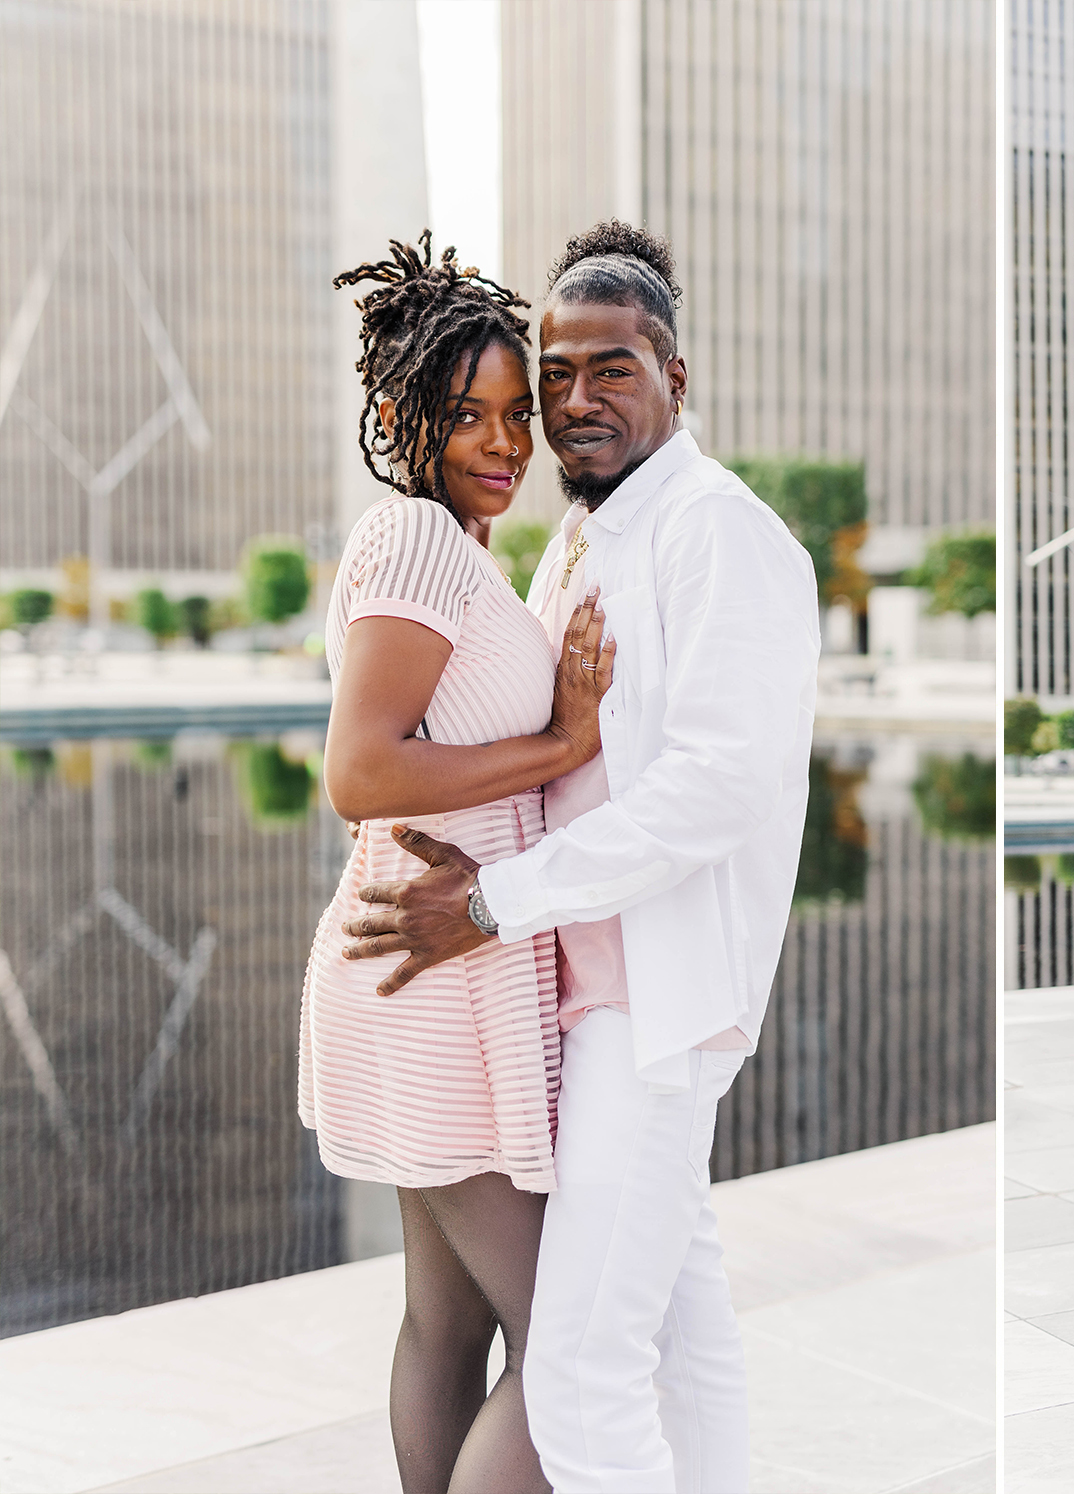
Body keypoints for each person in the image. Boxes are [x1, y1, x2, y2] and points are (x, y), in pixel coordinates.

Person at [339, 220, 821, 1494]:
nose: (571, 403)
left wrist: (496, 900)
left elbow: (713, 785)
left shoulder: (717, 531)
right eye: (555, 374)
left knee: (580, 1371)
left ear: (674, 372)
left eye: (610, 368)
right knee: (676, 1330)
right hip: (562, 995)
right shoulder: (576, 540)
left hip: (645, 1005)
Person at [303, 232, 614, 1494]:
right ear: (401, 417)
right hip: (432, 981)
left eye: (511, 415)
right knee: (572, 1342)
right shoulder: (421, 546)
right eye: (466, 415)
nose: (502, 443)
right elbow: (359, 773)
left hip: (428, 964)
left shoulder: (454, 554)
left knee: (453, 1320)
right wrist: (560, 743)